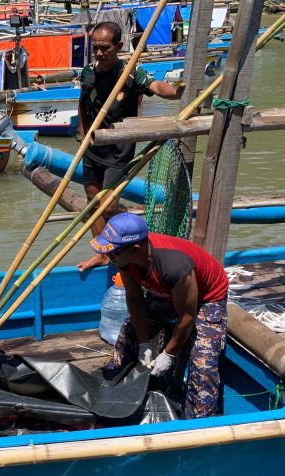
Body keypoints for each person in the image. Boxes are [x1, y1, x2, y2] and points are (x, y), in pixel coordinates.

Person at [91, 213, 229, 418]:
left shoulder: (174, 266)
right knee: (129, 331)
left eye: (113, 252)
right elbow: (135, 298)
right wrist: (144, 343)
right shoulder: (123, 258)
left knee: (203, 364)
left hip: (206, 298)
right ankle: (116, 387)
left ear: (135, 249)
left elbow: (187, 316)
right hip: (167, 292)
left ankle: (198, 421)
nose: (109, 256)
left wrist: (169, 354)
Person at [76, 21, 185, 272]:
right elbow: (82, 102)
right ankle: (102, 253)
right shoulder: (88, 71)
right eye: (95, 48)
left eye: (105, 48)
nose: (99, 53)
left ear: (119, 46)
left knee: (109, 206)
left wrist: (176, 93)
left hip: (118, 150)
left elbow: (157, 87)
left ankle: (130, 240)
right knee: (93, 202)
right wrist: (82, 133)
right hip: (92, 147)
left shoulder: (130, 73)